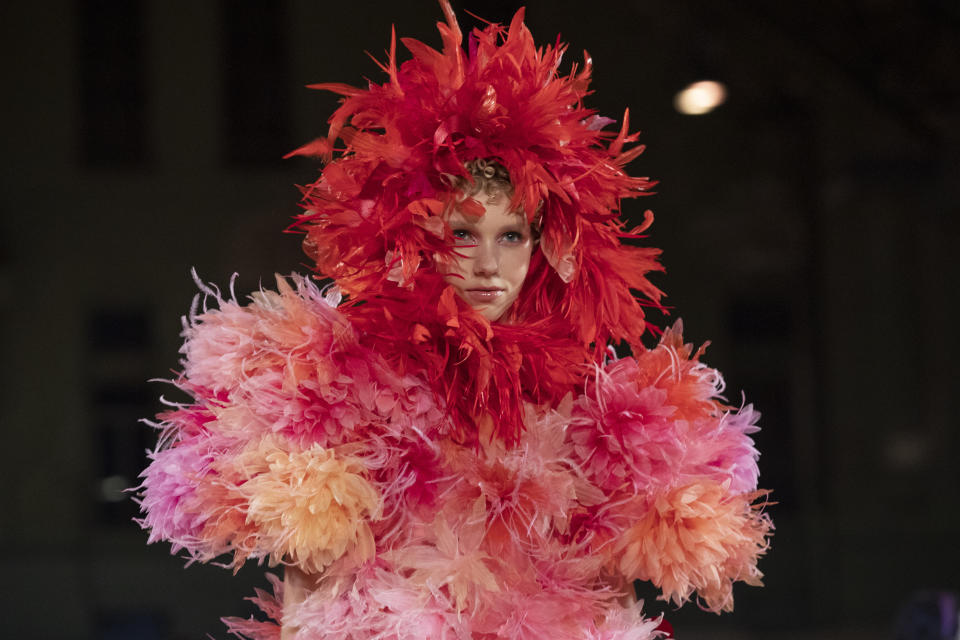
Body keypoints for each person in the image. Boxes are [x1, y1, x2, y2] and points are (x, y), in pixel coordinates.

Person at [137, 3, 772, 638]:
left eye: (512, 235)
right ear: (417, 237)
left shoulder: (590, 406)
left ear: (546, 244)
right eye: (463, 232)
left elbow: (610, 589)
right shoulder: (342, 384)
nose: (488, 264)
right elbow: (310, 583)